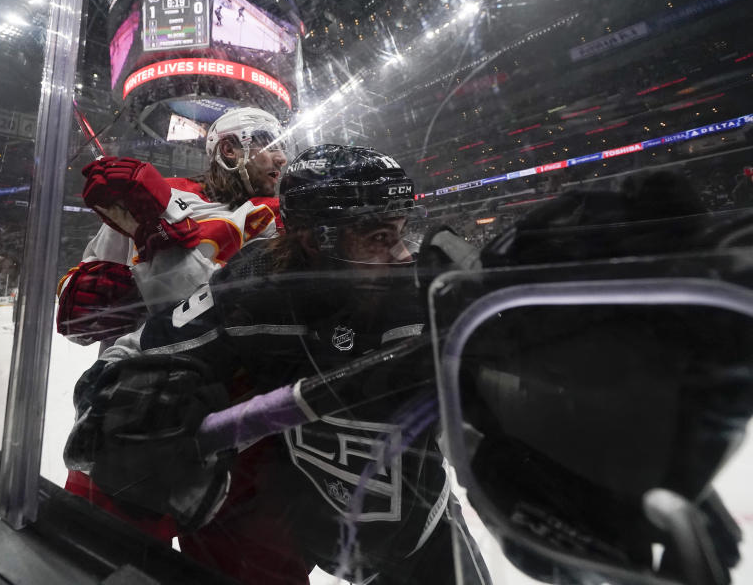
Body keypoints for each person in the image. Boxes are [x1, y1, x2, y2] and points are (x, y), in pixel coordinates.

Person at [65, 145, 473, 584]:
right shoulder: (254, 290)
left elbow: (482, 422)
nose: (402, 256)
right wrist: (120, 398)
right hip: (319, 532)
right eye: (378, 237)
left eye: (400, 232)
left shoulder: (423, 305)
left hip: (425, 534)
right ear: (316, 240)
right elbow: (128, 357)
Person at [56, 107, 289, 346]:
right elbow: (78, 303)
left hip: (210, 375)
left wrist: (163, 242)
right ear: (229, 149)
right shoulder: (152, 195)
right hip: (127, 372)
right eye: (272, 147)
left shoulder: (274, 216)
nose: (283, 159)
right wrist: (96, 302)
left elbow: (229, 314)